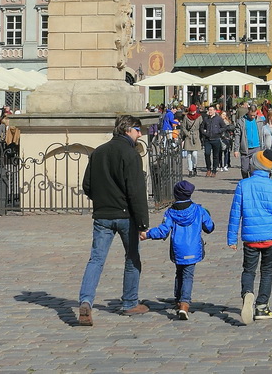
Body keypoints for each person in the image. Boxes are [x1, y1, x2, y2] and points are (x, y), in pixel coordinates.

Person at [77, 115, 150, 324]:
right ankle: (129, 303)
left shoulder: (98, 152)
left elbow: (87, 185)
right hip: (126, 215)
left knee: (96, 260)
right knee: (132, 258)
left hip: (102, 215)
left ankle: (86, 301)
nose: (140, 134)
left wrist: (101, 200)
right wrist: (143, 223)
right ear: (127, 130)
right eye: (138, 129)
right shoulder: (130, 154)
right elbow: (136, 191)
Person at [228, 148, 272, 324]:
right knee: (267, 271)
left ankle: (247, 293)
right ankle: (262, 306)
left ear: (254, 165)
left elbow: (235, 214)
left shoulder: (243, 185)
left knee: (249, 270)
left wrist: (232, 238)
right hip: (270, 238)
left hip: (250, 238)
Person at [140, 180, 214, 320]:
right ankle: (184, 304)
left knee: (179, 273)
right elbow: (209, 227)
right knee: (188, 276)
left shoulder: (171, 212)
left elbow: (163, 231)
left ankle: (178, 299)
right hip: (193, 249)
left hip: (178, 249)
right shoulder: (199, 210)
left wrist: (148, 234)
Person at [236, 102, 263, 178]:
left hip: (256, 147)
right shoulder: (241, 121)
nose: (253, 117)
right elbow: (237, 135)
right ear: (248, 112)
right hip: (245, 148)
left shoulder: (259, 121)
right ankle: (245, 181)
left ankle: (251, 184)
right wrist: (236, 149)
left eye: (254, 115)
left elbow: (263, 133)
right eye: (251, 115)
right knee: (244, 169)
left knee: (253, 169)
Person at [202, 104, 224, 177]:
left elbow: (224, 127)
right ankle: (208, 169)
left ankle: (214, 170)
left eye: (211, 110)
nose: (210, 111)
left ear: (215, 111)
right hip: (208, 139)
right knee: (207, 154)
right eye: (209, 110)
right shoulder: (206, 118)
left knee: (216, 155)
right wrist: (205, 133)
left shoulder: (218, 119)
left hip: (216, 139)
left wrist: (218, 131)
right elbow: (201, 128)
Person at [180, 105, 202, 176]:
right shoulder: (186, 117)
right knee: (189, 155)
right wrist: (187, 134)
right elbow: (183, 127)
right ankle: (190, 169)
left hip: (196, 136)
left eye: (194, 111)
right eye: (192, 111)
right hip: (188, 137)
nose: (193, 112)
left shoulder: (199, 117)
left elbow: (202, 126)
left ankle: (195, 166)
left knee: (194, 154)